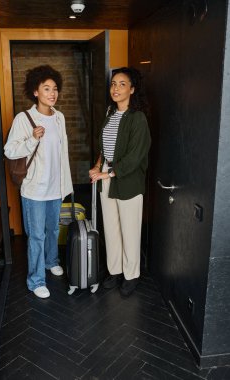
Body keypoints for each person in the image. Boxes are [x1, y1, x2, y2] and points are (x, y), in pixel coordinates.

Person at [4, 65, 73, 299]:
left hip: (55, 187)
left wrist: (66, 184)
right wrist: (32, 140)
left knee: (53, 229)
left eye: (55, 89)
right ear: (35, 91)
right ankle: (35, 281)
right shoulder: (24, 119)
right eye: (46, 89)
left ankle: (51, 260)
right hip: (34, 189)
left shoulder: (60, 117)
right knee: (36, 235)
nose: (52, 93)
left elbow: (61, 153)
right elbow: (9, 150)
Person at [89, 67, 151, 297]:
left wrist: (109, 173)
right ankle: (114, 271)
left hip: (128, 179)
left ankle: (131, 274)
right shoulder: (109, 114)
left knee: (130, 229)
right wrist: (98, 166)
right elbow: (105, 149)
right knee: (111, 227)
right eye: (113, 83)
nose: (115, 88)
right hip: (107, 175)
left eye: (122, 84)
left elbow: (136, 156)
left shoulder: (138, 118)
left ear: (132, 89)